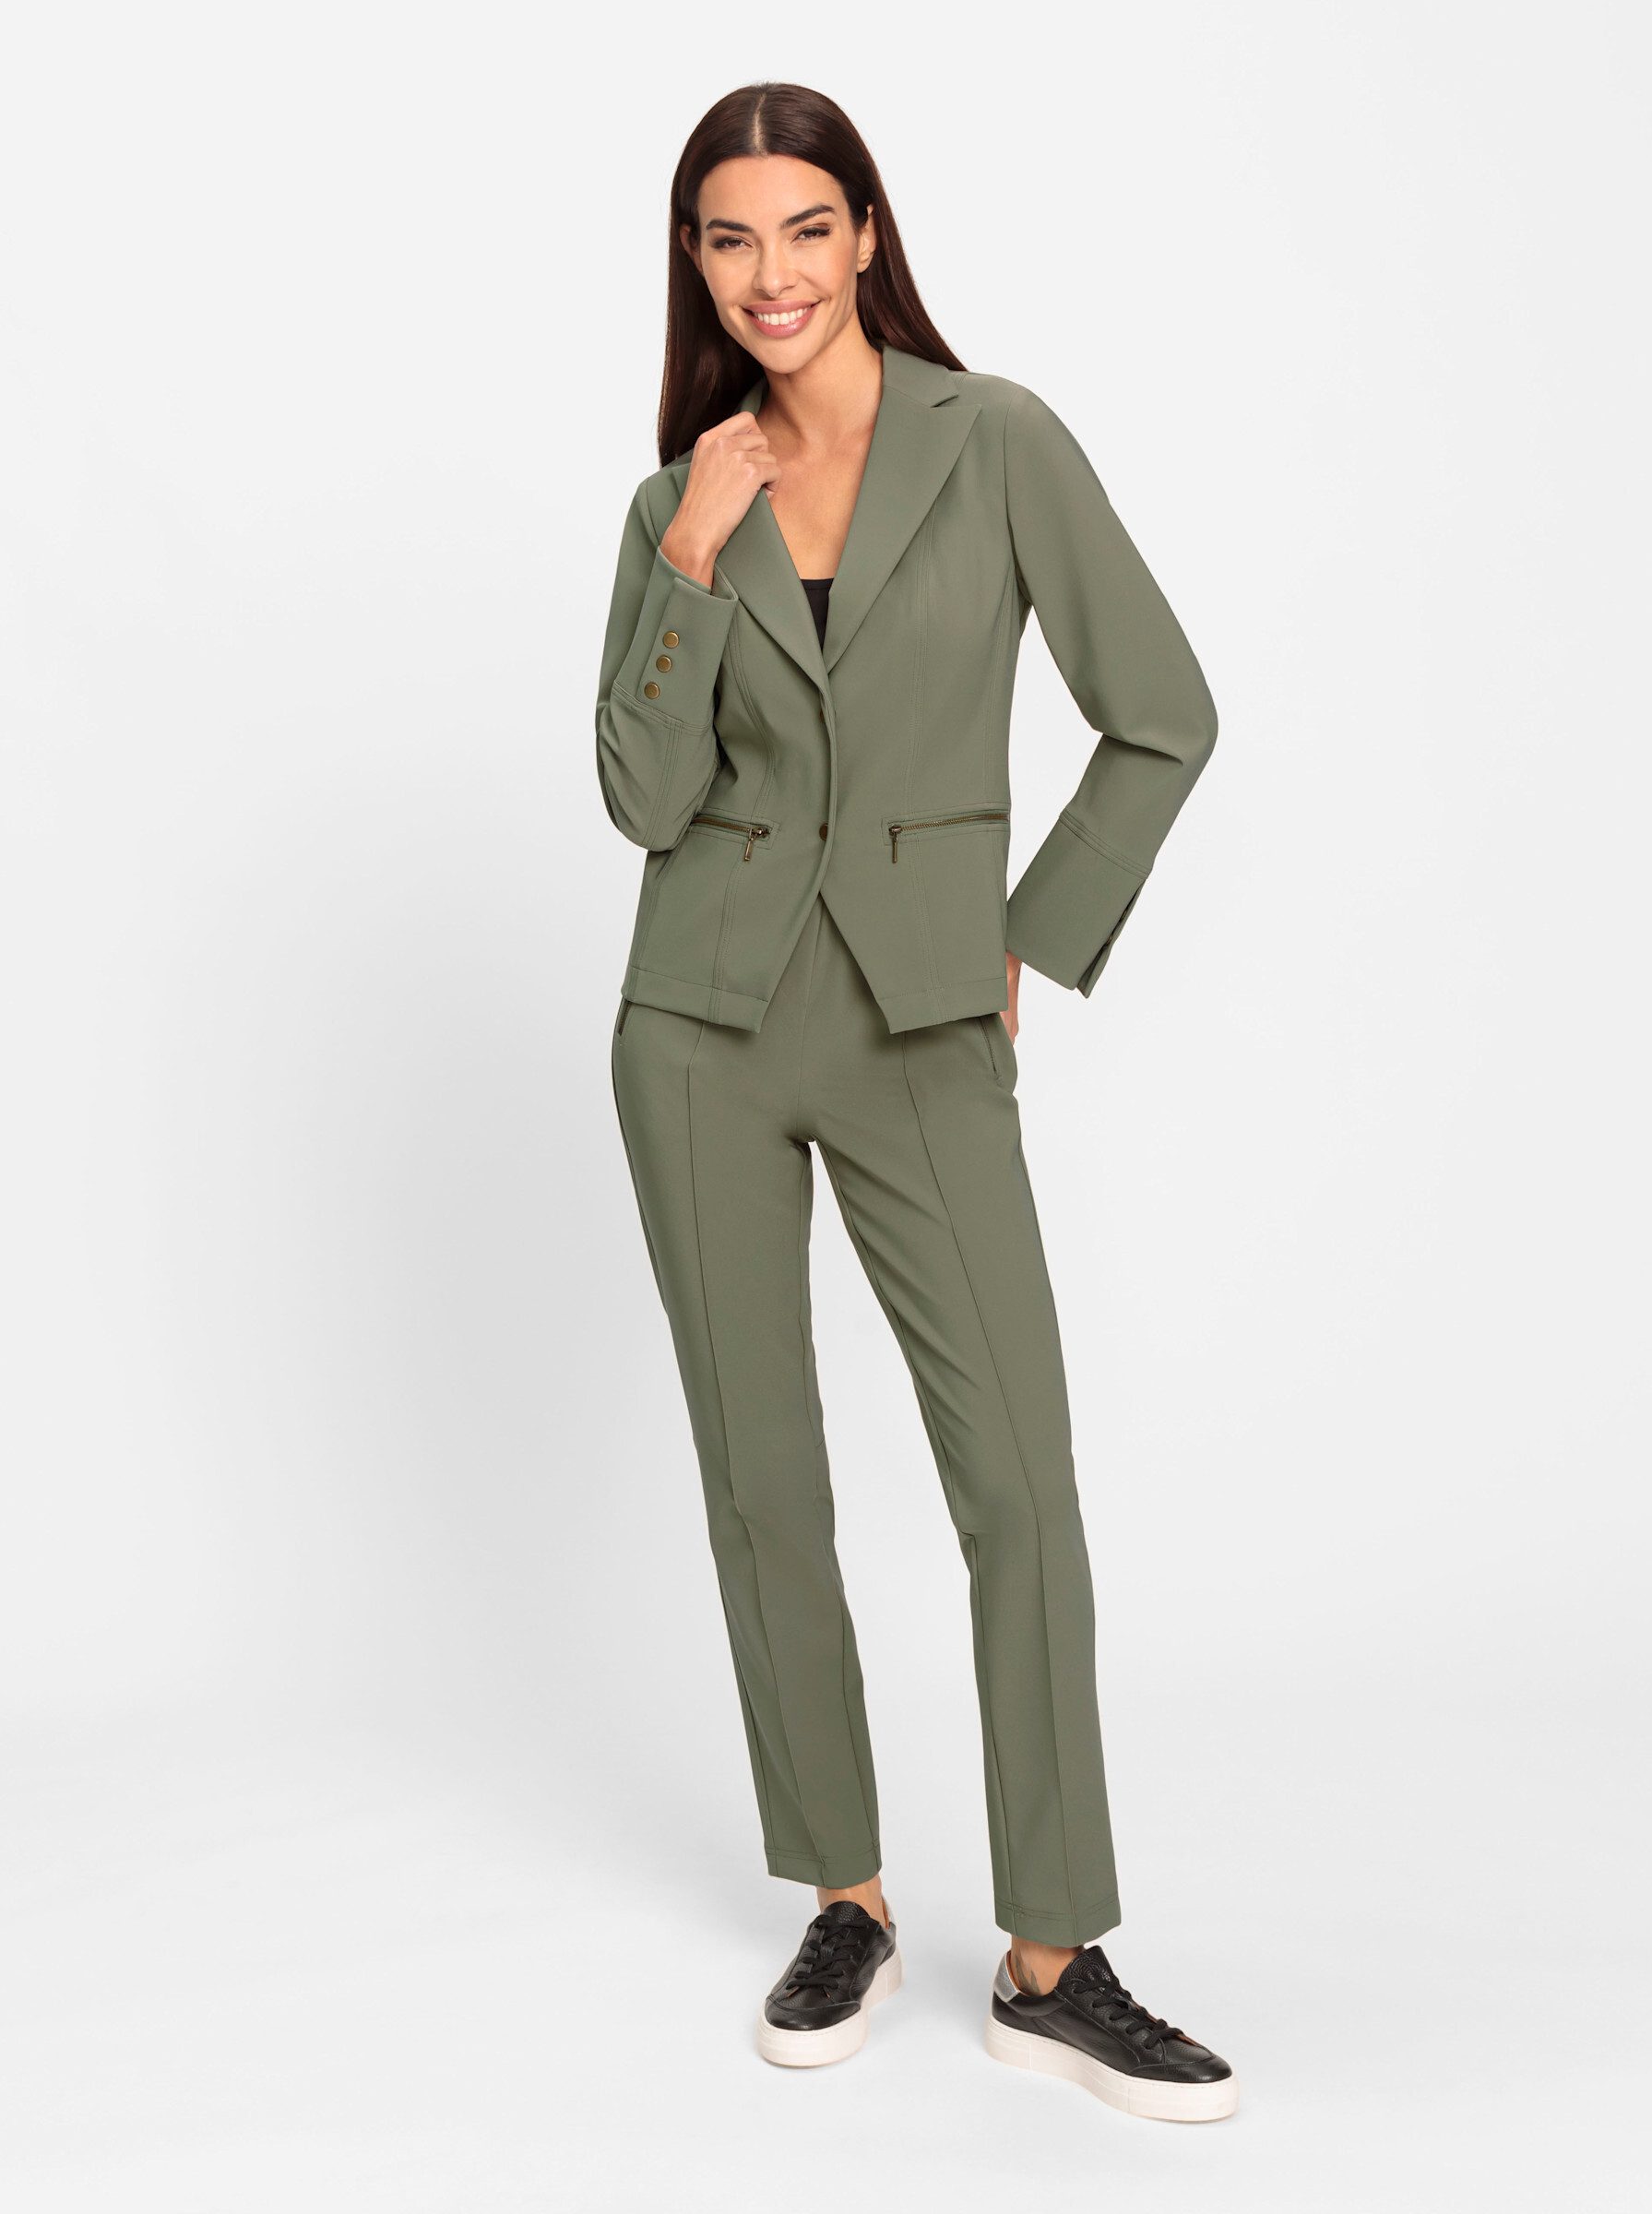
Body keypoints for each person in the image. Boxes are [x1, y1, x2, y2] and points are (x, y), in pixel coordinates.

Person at [595, 80, 1236, 2123]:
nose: (769, 274)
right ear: (695, 264)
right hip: (698, 1025)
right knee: (762, 1483)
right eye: (729, 238)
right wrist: (691, 559)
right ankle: (845, 1897)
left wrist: (1027, 934)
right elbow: (641, 798)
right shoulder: (677, 496)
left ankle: (1052, 1955)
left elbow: (1163, 712)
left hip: (919, 1023)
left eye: (805, 227)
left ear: (866, 235)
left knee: (1016, 1484)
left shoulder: (996, 441)